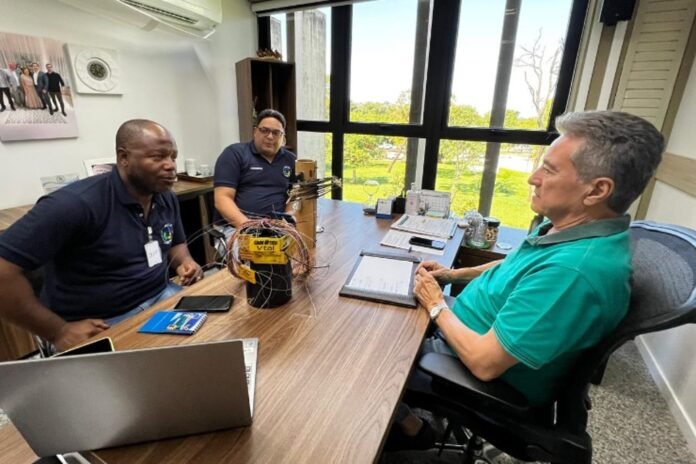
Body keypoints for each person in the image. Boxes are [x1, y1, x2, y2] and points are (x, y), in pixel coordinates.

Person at [390, 110, 665, 449]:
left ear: (596, 191)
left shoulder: (572, 273)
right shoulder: (571, 231)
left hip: (473, 374)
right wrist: (451, 275)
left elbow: (484, 363)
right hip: (459, 329)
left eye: (549, 170)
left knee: (359, 353)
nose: (533, 178)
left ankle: (412, 428)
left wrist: (434, 304)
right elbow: (514, 269)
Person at [0, 119, 203, 353]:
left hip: (162, 297)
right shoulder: (74, 205)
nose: (170, 166)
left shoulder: (163, 195)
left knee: (221, 344)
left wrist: (184, 261)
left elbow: (175, 242)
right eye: (158, 157)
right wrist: (58, 331)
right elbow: (3, 271)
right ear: (123, 158)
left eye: (173, 157)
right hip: (105, 322)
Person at [213, 109, 296, 229]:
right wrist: (249, 228)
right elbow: (222, 199)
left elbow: (294, 197)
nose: (270, 136)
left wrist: (288, 219)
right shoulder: (234, 154)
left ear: (283, 137)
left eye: (276, 133)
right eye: (264, 130)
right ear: (255, 131)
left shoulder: (291, 160)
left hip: (276, 228)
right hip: (236, 227)